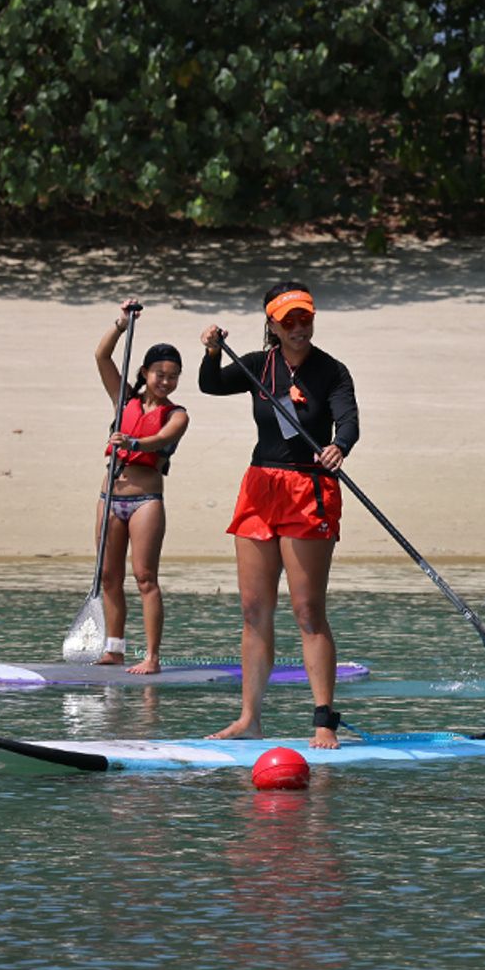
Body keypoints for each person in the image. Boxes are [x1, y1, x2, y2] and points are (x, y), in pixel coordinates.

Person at [198, 282, 359, 748]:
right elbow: (211, 384)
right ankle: (250, 718)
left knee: (307, 611)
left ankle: (324, 720)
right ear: (271, 325)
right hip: (260, 487)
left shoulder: (332, 371)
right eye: (288, 321)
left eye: (304, 318)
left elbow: (347, 420)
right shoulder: (256, 365)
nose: (298, 328)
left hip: (308, 488)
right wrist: (211, 351)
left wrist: (339, 446)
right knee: (253, 610)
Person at [94, 305, 190, 675]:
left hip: (146, 500)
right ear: (145, 373)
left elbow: (160, 440)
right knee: (108, 576)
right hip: (109, 497)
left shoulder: (177, 414)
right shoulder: (124, 399)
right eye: (160, 374)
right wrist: (121, 325)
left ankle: (151, 656)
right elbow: (101, 355)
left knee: (145, 577)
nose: (166, 381)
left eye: (173, 376)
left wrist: (131, 441)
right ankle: (114, 649)